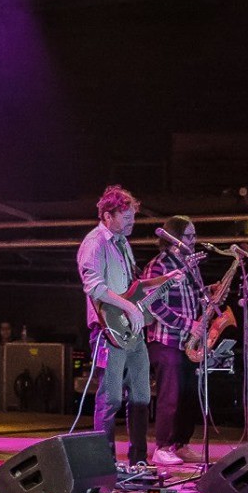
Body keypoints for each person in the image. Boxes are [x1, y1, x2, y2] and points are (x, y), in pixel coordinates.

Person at [78, 185, 150, 470]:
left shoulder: (122, 242)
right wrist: (128, 307)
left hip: (132, 331)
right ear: (107, 215)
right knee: (111, 398)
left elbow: (132, 287)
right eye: (126, 217)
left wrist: (166, 279)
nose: (132, 222)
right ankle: (103, 463)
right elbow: (93, 286)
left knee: (142, 395)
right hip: (108, 331)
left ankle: (139, 461)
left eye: (133, 217)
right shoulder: (95, 243)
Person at [142, 215, 209, 466]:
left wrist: (209, 295)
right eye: (189, 236)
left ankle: (180, 443)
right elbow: (154, 304)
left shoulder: (191, 266)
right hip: (166, 340)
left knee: (189, 394)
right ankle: (162, 446)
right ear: (174, 238)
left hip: (188, 341)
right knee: (170, 394)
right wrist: (187, 323)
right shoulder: (158, 265)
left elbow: (195, 298)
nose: (194, 240)